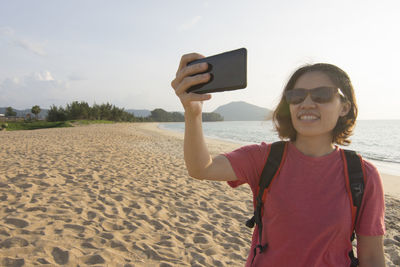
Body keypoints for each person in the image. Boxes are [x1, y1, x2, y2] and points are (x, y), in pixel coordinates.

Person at [171, 53, 386, 267]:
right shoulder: (265, 159)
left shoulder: (362, 175)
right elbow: (202, 168)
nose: (307, 103)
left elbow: (372, 258)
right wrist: (193, 112)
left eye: (322, 94)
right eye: (297, 96)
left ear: (345, 107)